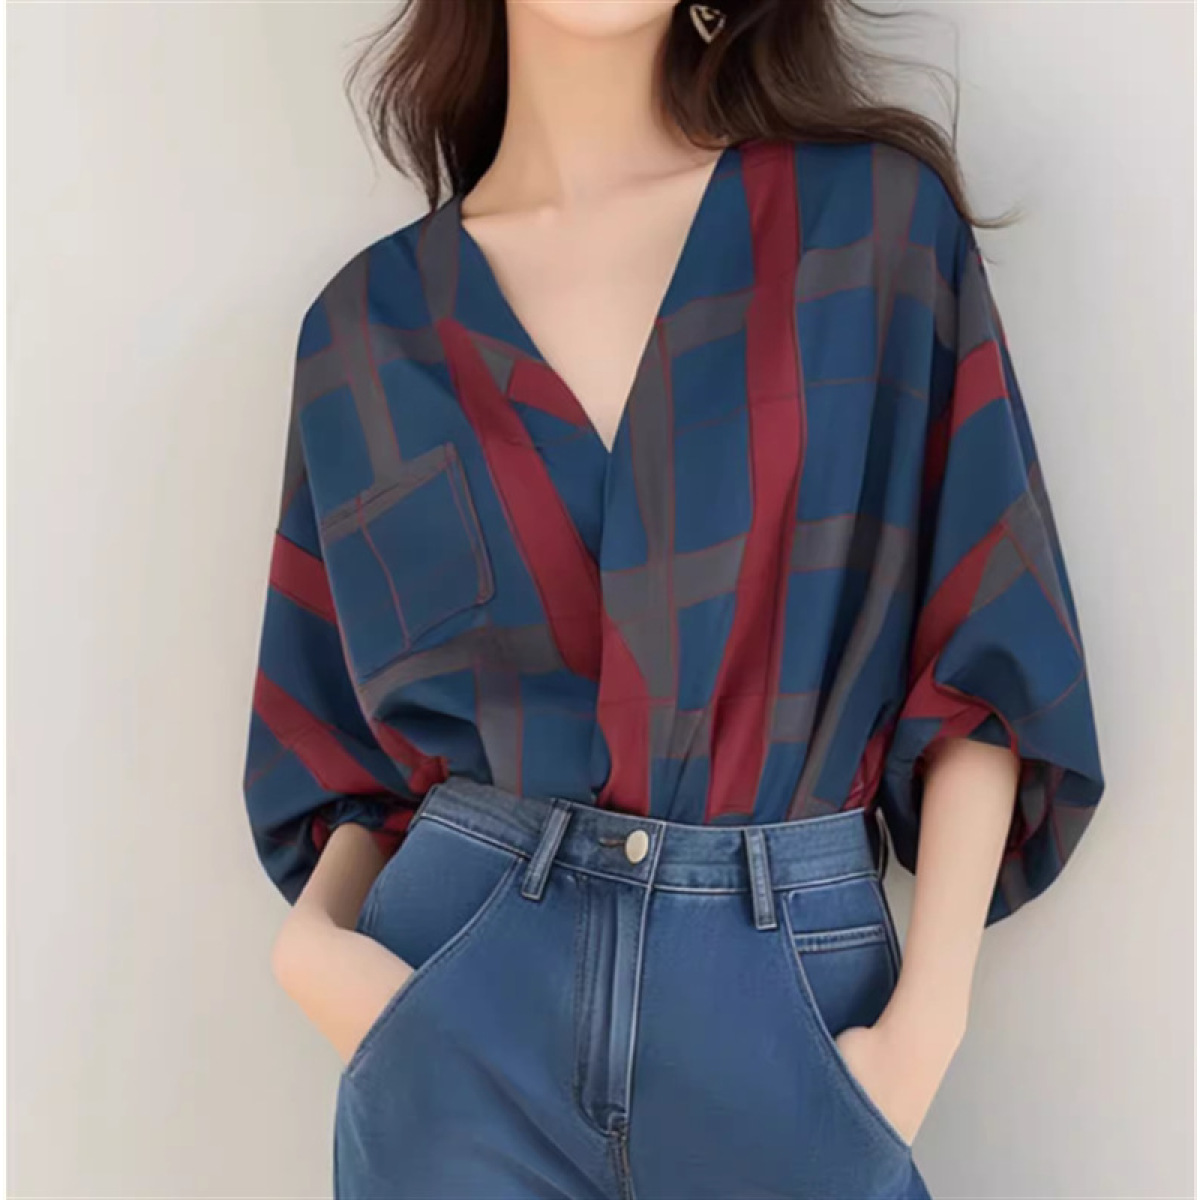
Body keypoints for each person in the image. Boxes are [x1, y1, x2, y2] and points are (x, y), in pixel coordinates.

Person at [240, 1, 1106, 1196]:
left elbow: (984, 651)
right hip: (458, 1020)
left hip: (786, 1016)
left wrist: (922, 1032)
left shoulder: (868, 234)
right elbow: (340, 755)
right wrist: (315, 953)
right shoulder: (363, 330)